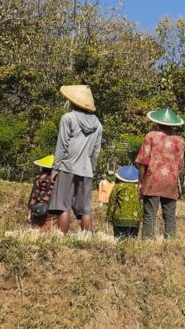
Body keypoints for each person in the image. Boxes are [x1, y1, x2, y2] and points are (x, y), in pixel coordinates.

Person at [48, 85, 103, 233]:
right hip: (86, 170)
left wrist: (55, 168)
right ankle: (86, 239)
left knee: (63, 206)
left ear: (73, 102)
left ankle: (61, 237)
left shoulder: (68, 118)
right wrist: (92, 169)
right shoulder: (98, 124)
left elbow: (62, 145)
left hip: (68, 167)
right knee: (85, 209)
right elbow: (96, 151)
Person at [136, 107, 185, 239]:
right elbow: (179, 166)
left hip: (152, 180)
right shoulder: (179, 141)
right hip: (170, 182)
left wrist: (140, 182)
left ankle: (147, 241)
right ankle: (170, 241)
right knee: (169, 215)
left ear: (158, 122)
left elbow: (143, 161)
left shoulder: (151, 136)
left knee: (149, 214)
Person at [106, 166, 143, 239]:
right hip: (135, 221)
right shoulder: (139, 188)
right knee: (132, 242)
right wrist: (140, 218)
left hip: (119, 220)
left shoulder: (118, 187)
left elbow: (112, 203)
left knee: (120, 241)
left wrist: (109, 217)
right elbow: (142, 204)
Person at [26, 155, 57, 231]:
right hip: (55, 208)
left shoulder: (39, 178)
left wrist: (30, 210)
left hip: (40, 207)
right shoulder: (57, 179)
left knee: (36, 229)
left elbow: (34, 195)